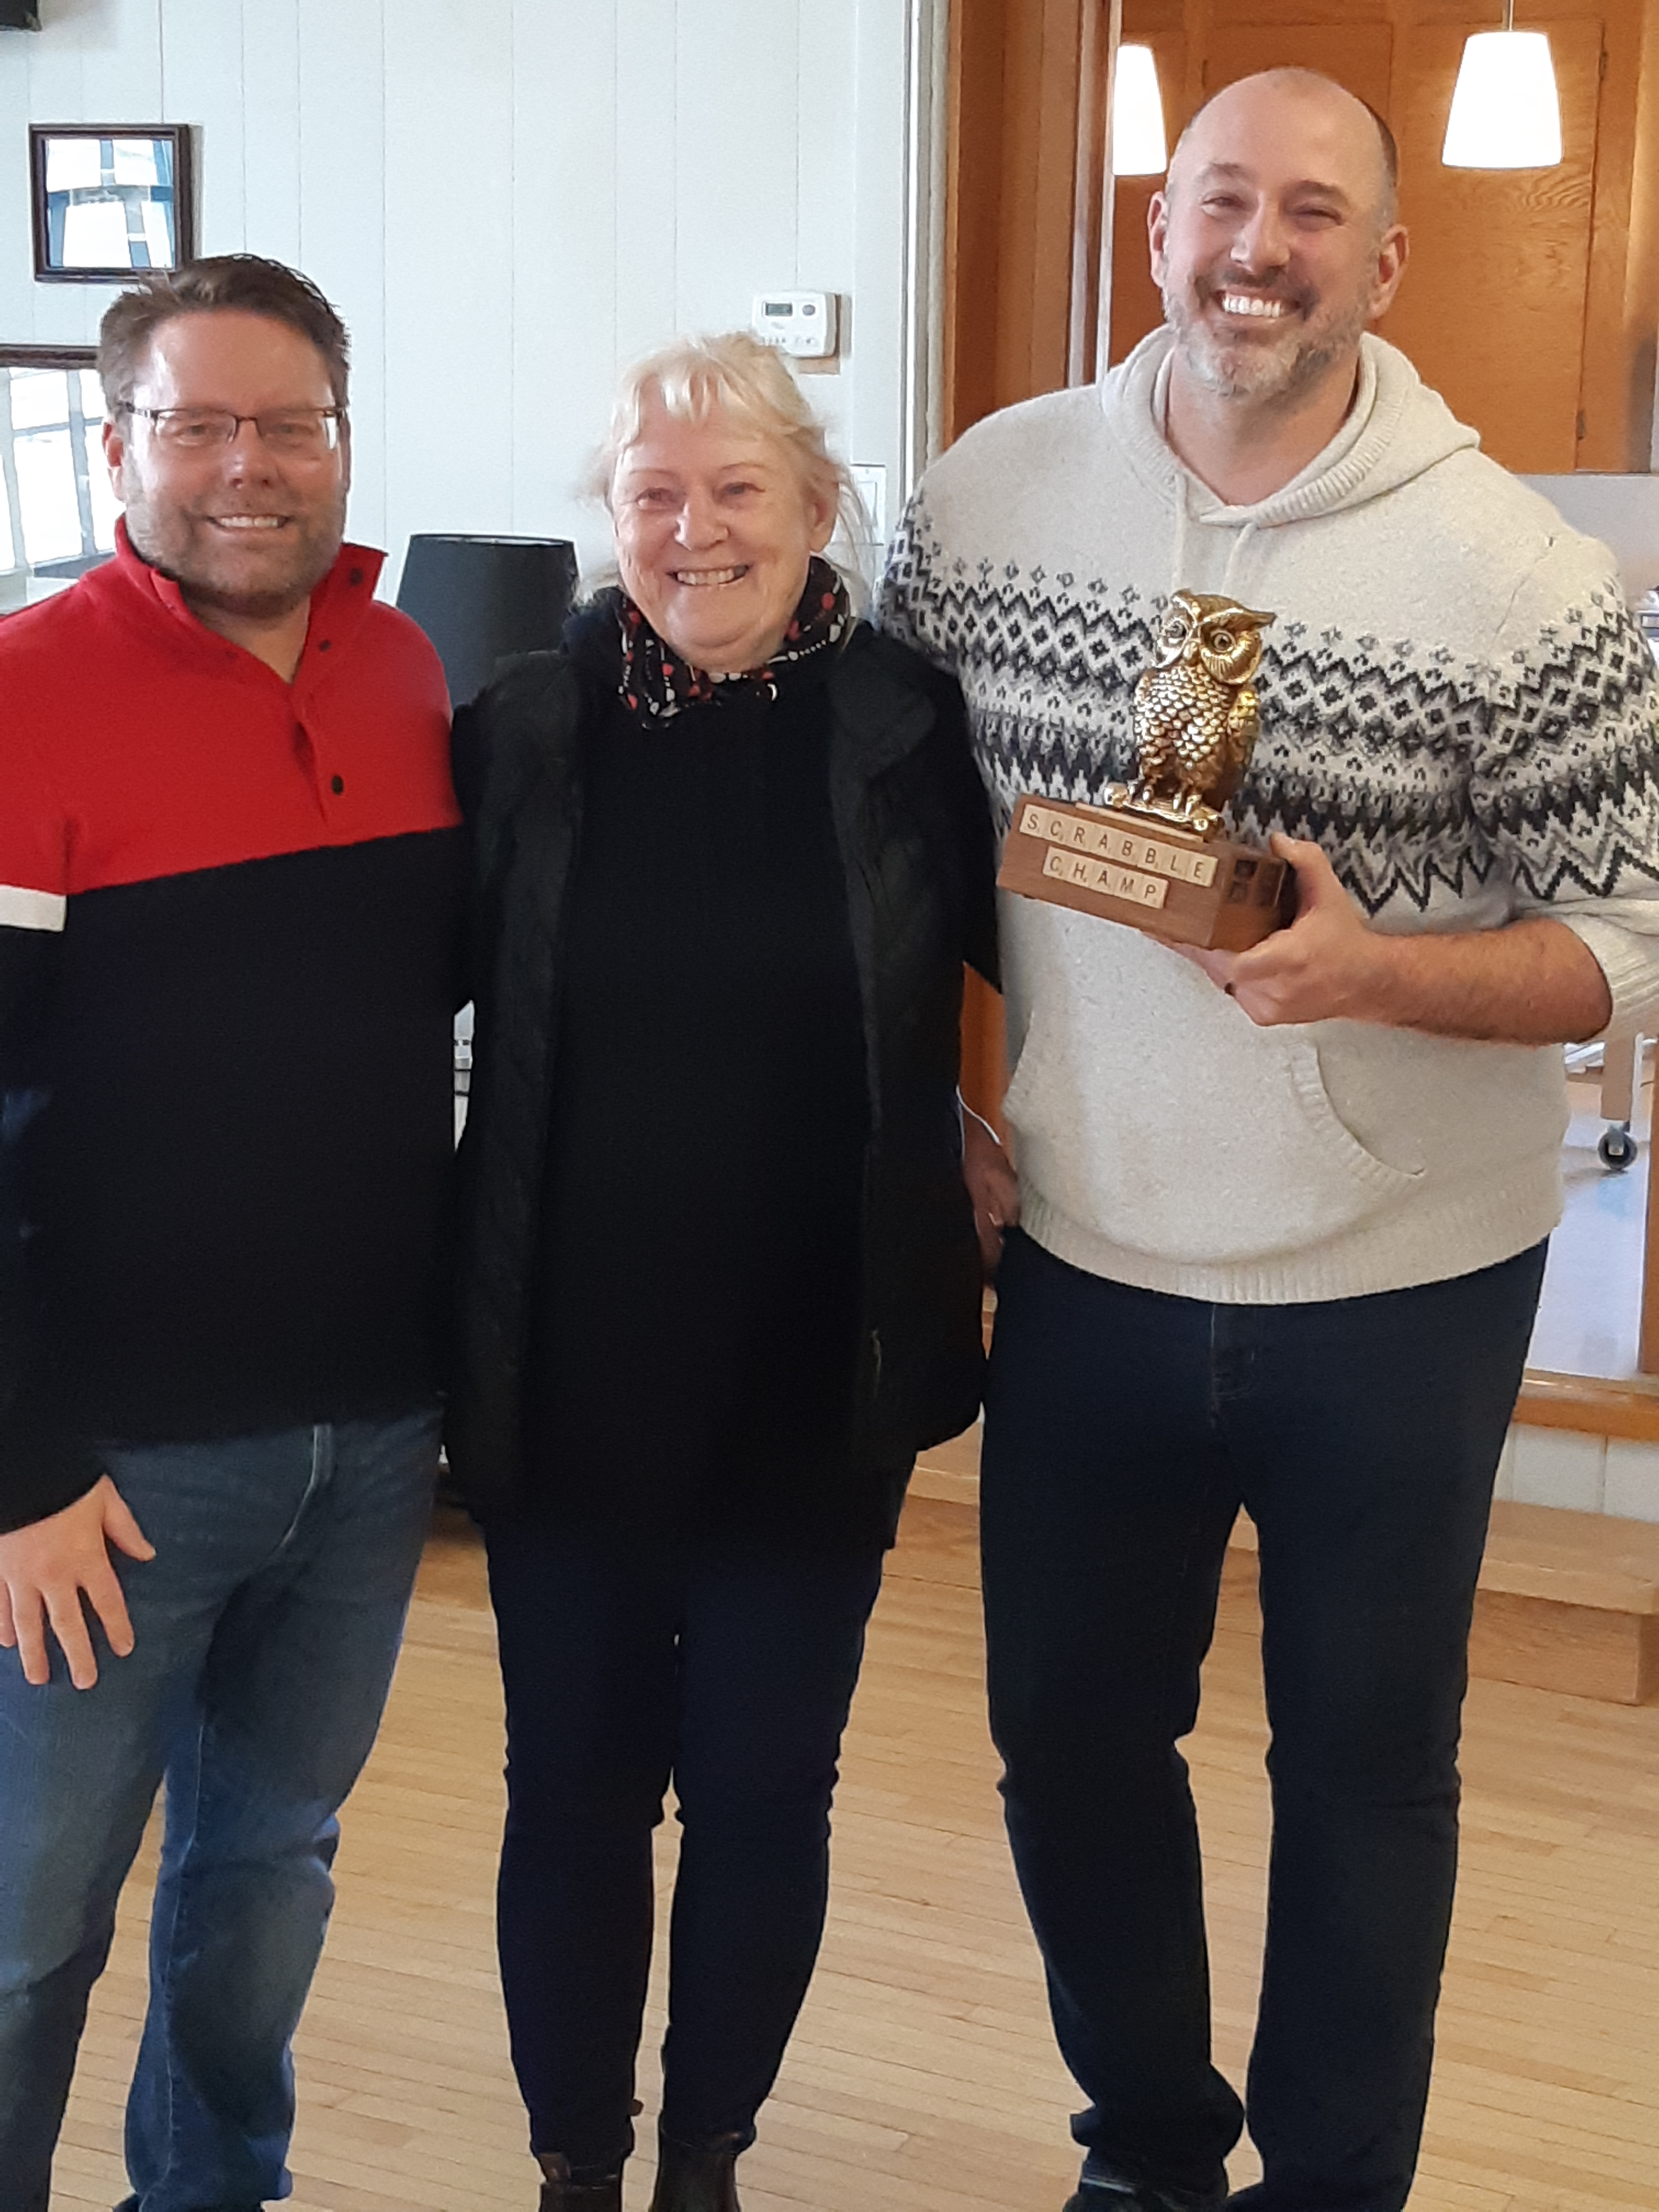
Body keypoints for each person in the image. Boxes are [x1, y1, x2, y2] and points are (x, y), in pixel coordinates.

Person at [880, 67, 1659, 2212]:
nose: (1259, 248)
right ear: (1159, 230)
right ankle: (1149, 2147)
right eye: (1223, 198)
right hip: (1090, 1259)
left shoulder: (1524, 580)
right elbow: (881, 841)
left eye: (1315, 213)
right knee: (1071, 1743)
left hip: (1400, 1287)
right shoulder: (988, 497)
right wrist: (925, 1101)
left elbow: (1636, 948)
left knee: (1367, 1776)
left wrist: (1378, 971)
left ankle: (1333, 2187)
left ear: (1385, 265)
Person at [446, 330, 997, 2212]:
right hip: (564, 1381)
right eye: (653, 494)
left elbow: (1048, 963)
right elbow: (386, 993)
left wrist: (997, 1134)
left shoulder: (910, 729)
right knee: (572, 1795)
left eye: (738, 488)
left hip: (816, 1378)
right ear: (609, 518)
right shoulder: (524, 729)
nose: (696, 531)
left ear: (818, 506)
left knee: (766, 1797)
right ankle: (575, 2165)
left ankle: (707, 2156)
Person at [0, 256, 461, 2212]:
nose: (246, 465)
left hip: (370, 1445)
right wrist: (19, 1468)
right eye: (196, 425)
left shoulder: (408, 670)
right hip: (106, 1475)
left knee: (264, 1885)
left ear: (343, 439)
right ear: (121, 447)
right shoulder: (21, 693)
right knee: (26, 1927)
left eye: (288, 424)